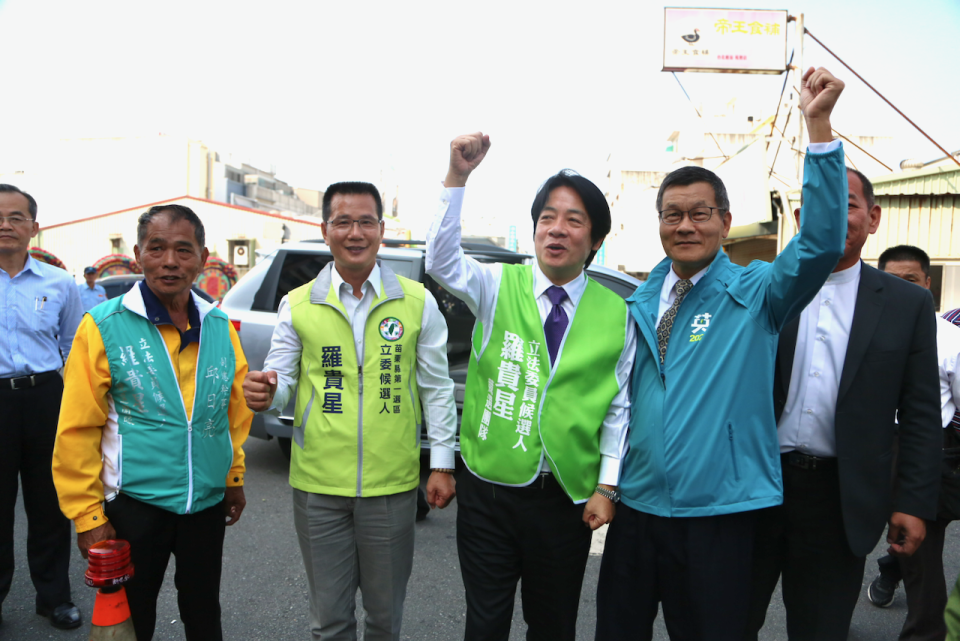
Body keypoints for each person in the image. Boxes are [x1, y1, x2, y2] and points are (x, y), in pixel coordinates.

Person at [595, 67, 849, 641]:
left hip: (719, 515)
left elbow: (822, 243)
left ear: (725, 222)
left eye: (699, 213)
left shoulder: (757, 291)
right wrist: (608, 484)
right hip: (637, 508)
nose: (685, 225)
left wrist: (819, 128)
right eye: (672, 215)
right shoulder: (636, 301)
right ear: (658, 224)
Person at [426, 134, 636, 641]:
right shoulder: (498, 284)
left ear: (595, 239)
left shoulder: (616, 314)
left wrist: (607, 487)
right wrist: (458, 178)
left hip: (563, 499)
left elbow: (618, 408)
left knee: (553, 625)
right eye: (548, 217)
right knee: (486, 623)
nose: (556, 229)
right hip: (489, 493)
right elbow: (440, 260)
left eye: (573, 219)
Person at [242, 181, 458, 641]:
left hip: (392, 485)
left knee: (384, 620)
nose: (354, 232)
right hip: (318, 486)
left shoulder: (417, 302)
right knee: (330, 621)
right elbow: (282, 383)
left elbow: (436, 389)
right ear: (325, 230)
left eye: (364, 222)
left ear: (381, 230)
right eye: (342, 221)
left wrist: (441, 463)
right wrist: (267, 393)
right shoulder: (298, 304)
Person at [746, 177, 943, 638]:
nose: (833, 217)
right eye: (818, 207)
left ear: (872, 218)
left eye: (848, 205)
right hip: (755, 484)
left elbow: (919, 413)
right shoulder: (763, 288)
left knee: (820, 628)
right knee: (729, 619)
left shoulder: (907, 303)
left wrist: (912, 503)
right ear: (799, 221)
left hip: (840, 498)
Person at [52, 204, 252, 641]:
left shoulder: (219, 325)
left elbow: (230, 414)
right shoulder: (103, 326)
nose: (170, 261)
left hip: (205, 504)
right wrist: (88, 516)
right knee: (131, 616)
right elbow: (77, 428)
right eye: (157, 248)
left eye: (183, 250)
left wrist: (232, 476)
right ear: (139, 253)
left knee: (204, 612)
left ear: (202, 256)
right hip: (134, 505)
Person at [864, 244, 960, 641]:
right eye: (891, 281)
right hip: (868, 444)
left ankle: (925, 633)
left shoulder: (949, 338)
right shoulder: (862, 329)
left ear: (928, 284)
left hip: (926, 449)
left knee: (920, 553)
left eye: (911, 281)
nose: (902, 288)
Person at [0, 184, 84, 630]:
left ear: (34, 227)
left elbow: (73, 345)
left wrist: (69, 398)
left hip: (46, 398)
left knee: (49, 503)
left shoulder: (59, 283)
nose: (5, 224)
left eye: (16, 217)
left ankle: (54, 598)